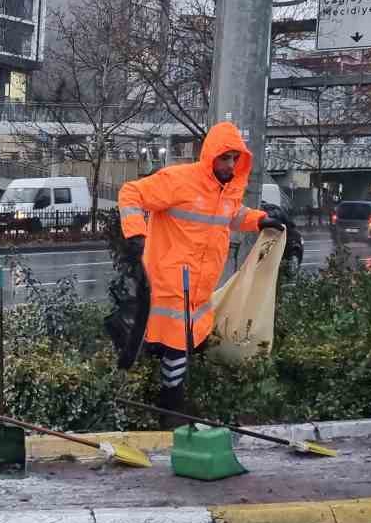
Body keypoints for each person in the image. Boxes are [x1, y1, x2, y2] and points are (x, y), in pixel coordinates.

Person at [117, 121, 288, 422]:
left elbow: (231, 215)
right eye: (225, 157)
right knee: (175, 345)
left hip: (199, 287)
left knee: (180, 343)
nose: (231, 164)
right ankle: (169, 407)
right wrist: (135, 235)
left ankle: (162, 401)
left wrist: (260, 220)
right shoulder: (179, 180)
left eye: (235, 159)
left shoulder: (226, 191)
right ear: (210, 155)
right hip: (170, 280)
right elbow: (131, 193)